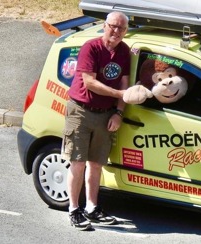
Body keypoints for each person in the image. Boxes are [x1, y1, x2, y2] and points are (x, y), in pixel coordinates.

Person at [62, 11, 130, 230]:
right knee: (78, 162)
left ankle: (92, 207)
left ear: (125, 31)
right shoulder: (90, 48)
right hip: (80, 112)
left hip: (105, 113)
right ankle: (74, 209)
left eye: (121, 28)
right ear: (105, 26)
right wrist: (119, 96)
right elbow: (89, 83)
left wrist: (119, 113)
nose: (116, 31)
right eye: (113, 26)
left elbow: (125, 84)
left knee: (96, 164)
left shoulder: (124, 51)